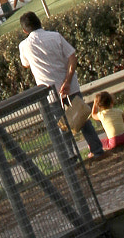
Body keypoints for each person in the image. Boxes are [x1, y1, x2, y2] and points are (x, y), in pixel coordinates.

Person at [17, 14, 102, 156]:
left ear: (25, 30)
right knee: (83, 119)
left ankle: (70, 157)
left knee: (62, 126)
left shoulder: (24, 46)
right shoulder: (55, 36)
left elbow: (25, 64)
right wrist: (67, 81)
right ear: (40, 22)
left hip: (50, 92)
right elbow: (72, 57)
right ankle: (97, 150)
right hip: (70, 87)